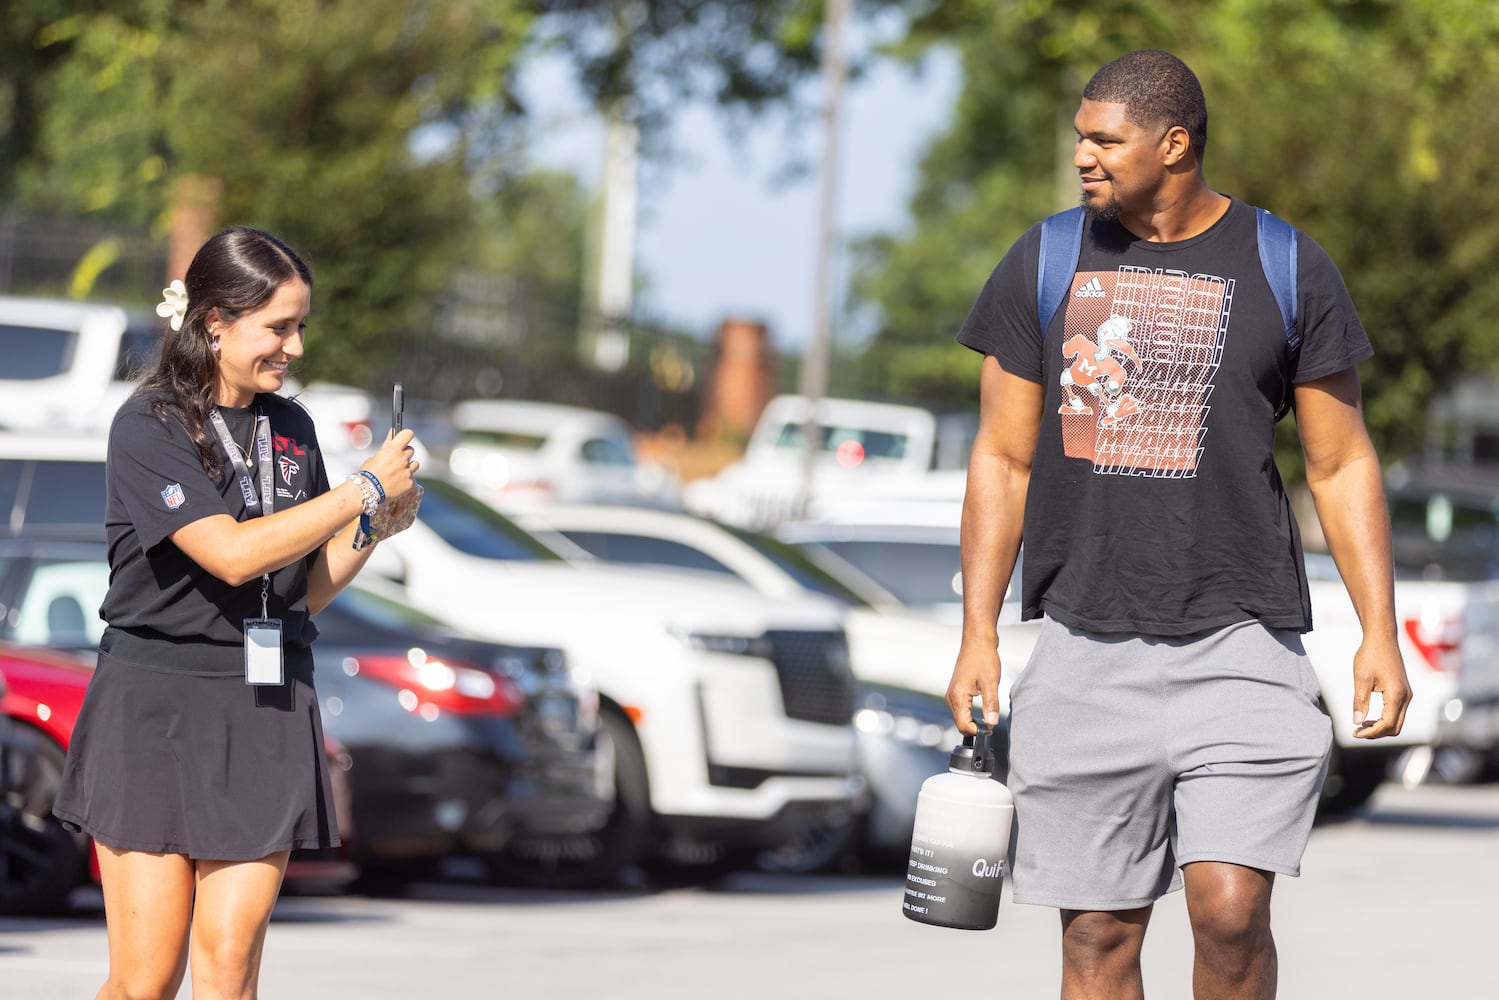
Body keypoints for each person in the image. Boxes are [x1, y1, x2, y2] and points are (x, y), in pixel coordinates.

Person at [945, 50, 1411, 999]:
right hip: (1082, 645)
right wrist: (977, 634)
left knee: (1231, 911)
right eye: (1079, 136)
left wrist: (1379, 633)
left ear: (1174, 143)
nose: (1082, 155)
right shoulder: (1043, 261)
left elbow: (1339, 460)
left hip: (1239, 642)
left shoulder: (1284, 264)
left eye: (1103, 139)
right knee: (1098, 942)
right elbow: (1000, 457)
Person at [52, 226, 421, 1000]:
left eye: (299, 327)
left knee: (227, 964)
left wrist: (374, 524)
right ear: (215, 320)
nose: (292, 346)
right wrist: (360, 488)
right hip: (152, 706)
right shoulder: (150, 423)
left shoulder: (290, 428)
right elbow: (229, 554)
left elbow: (302, 589)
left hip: (262, 706)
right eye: (277, 327)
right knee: (147, 978)